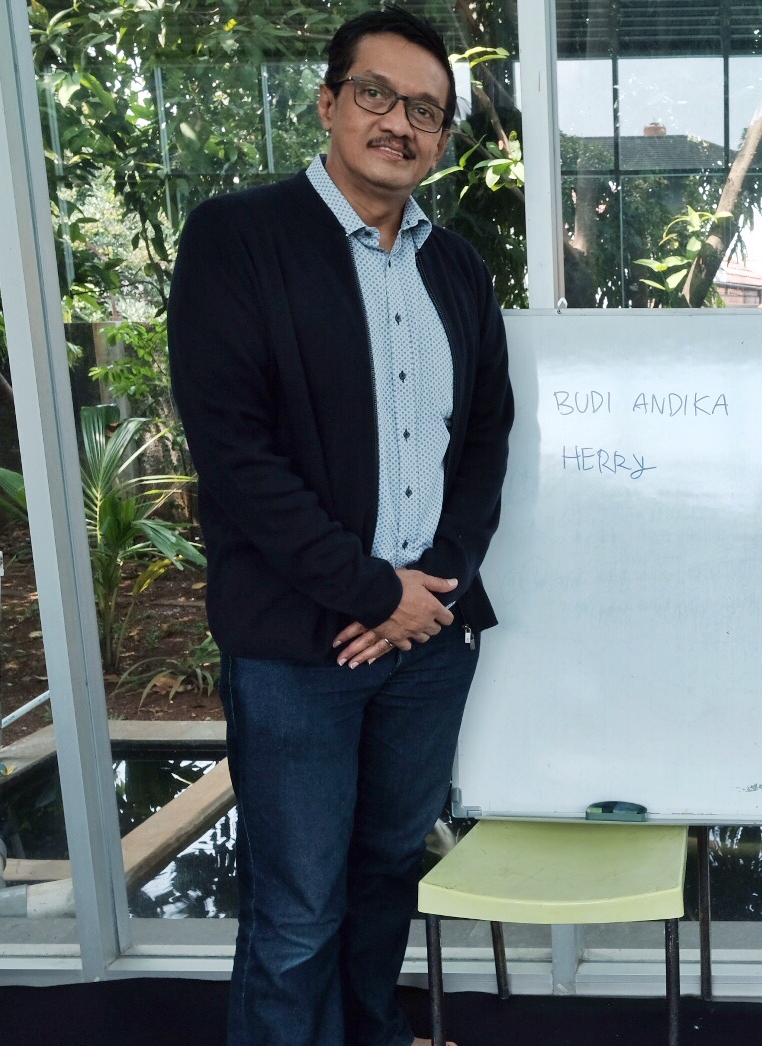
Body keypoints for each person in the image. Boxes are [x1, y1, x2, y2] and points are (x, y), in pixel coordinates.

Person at [167, 8, 512, 1045]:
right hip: (298, 646)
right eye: (377, 94)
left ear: (440, 138)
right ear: (328, 102)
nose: (399, 122)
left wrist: (432, 585)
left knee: (384, 876)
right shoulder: (238, 239)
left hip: (424, 645)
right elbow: (238, 458)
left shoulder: (457, 270)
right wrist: (372, 592)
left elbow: (484, 442)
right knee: (298, 908)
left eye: (426, 110)